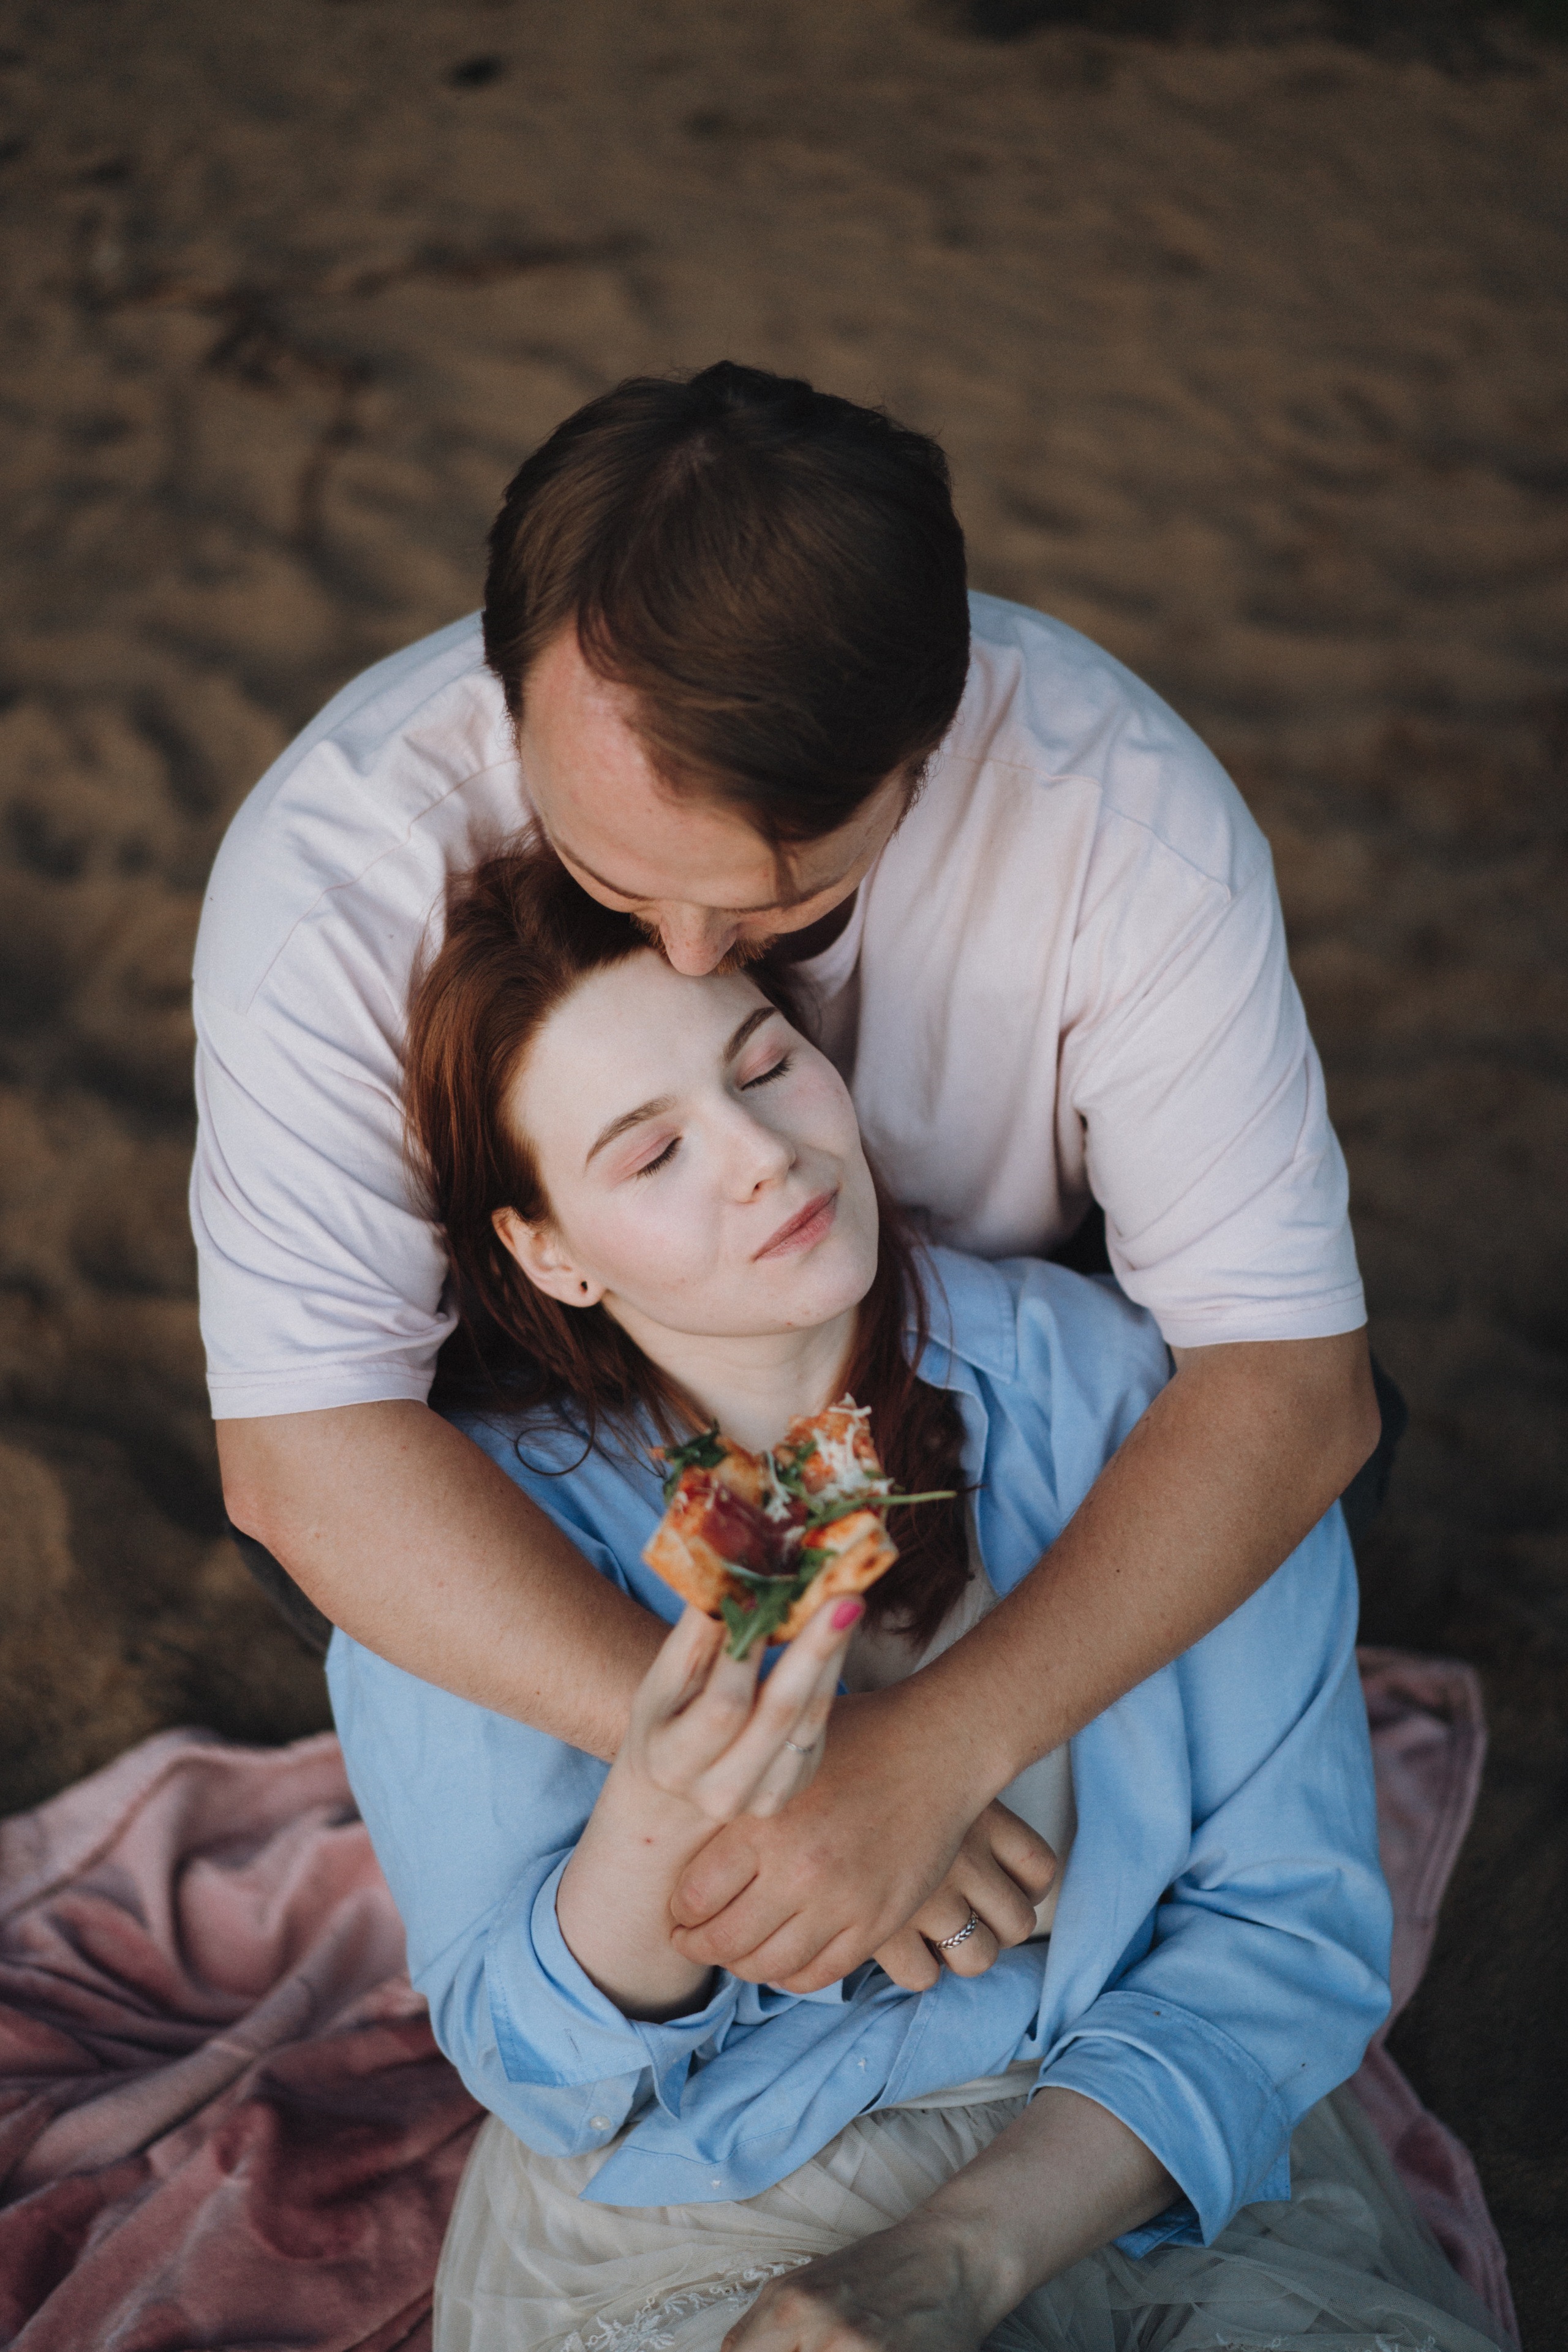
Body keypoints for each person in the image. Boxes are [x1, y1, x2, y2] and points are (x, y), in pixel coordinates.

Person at [197, 360, 1385, 1995]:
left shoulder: (1128, 816)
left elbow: (1293, 1384)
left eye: (784, 905)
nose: (689, 953)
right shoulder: (333, 871)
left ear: (926, 739)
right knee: (358, 1564)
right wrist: (774, 1760)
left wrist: (946, 1748)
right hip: (592, 1398)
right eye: (614, 876)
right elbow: (301, 1453)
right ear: (508, 678)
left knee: (1317, 1516)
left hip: (1004, 1383)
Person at [326, 845, 1501, 2352]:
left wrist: (957, 2258)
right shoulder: (463, 1541)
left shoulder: (1128, 1400)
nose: (759, 1156)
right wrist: (667, 1806)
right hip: (699, 2205)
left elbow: (1284, 1936)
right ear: (544, 1250)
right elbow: (542, 2066)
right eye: (649, 1152)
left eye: (764, 1066)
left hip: (1124, 2163)